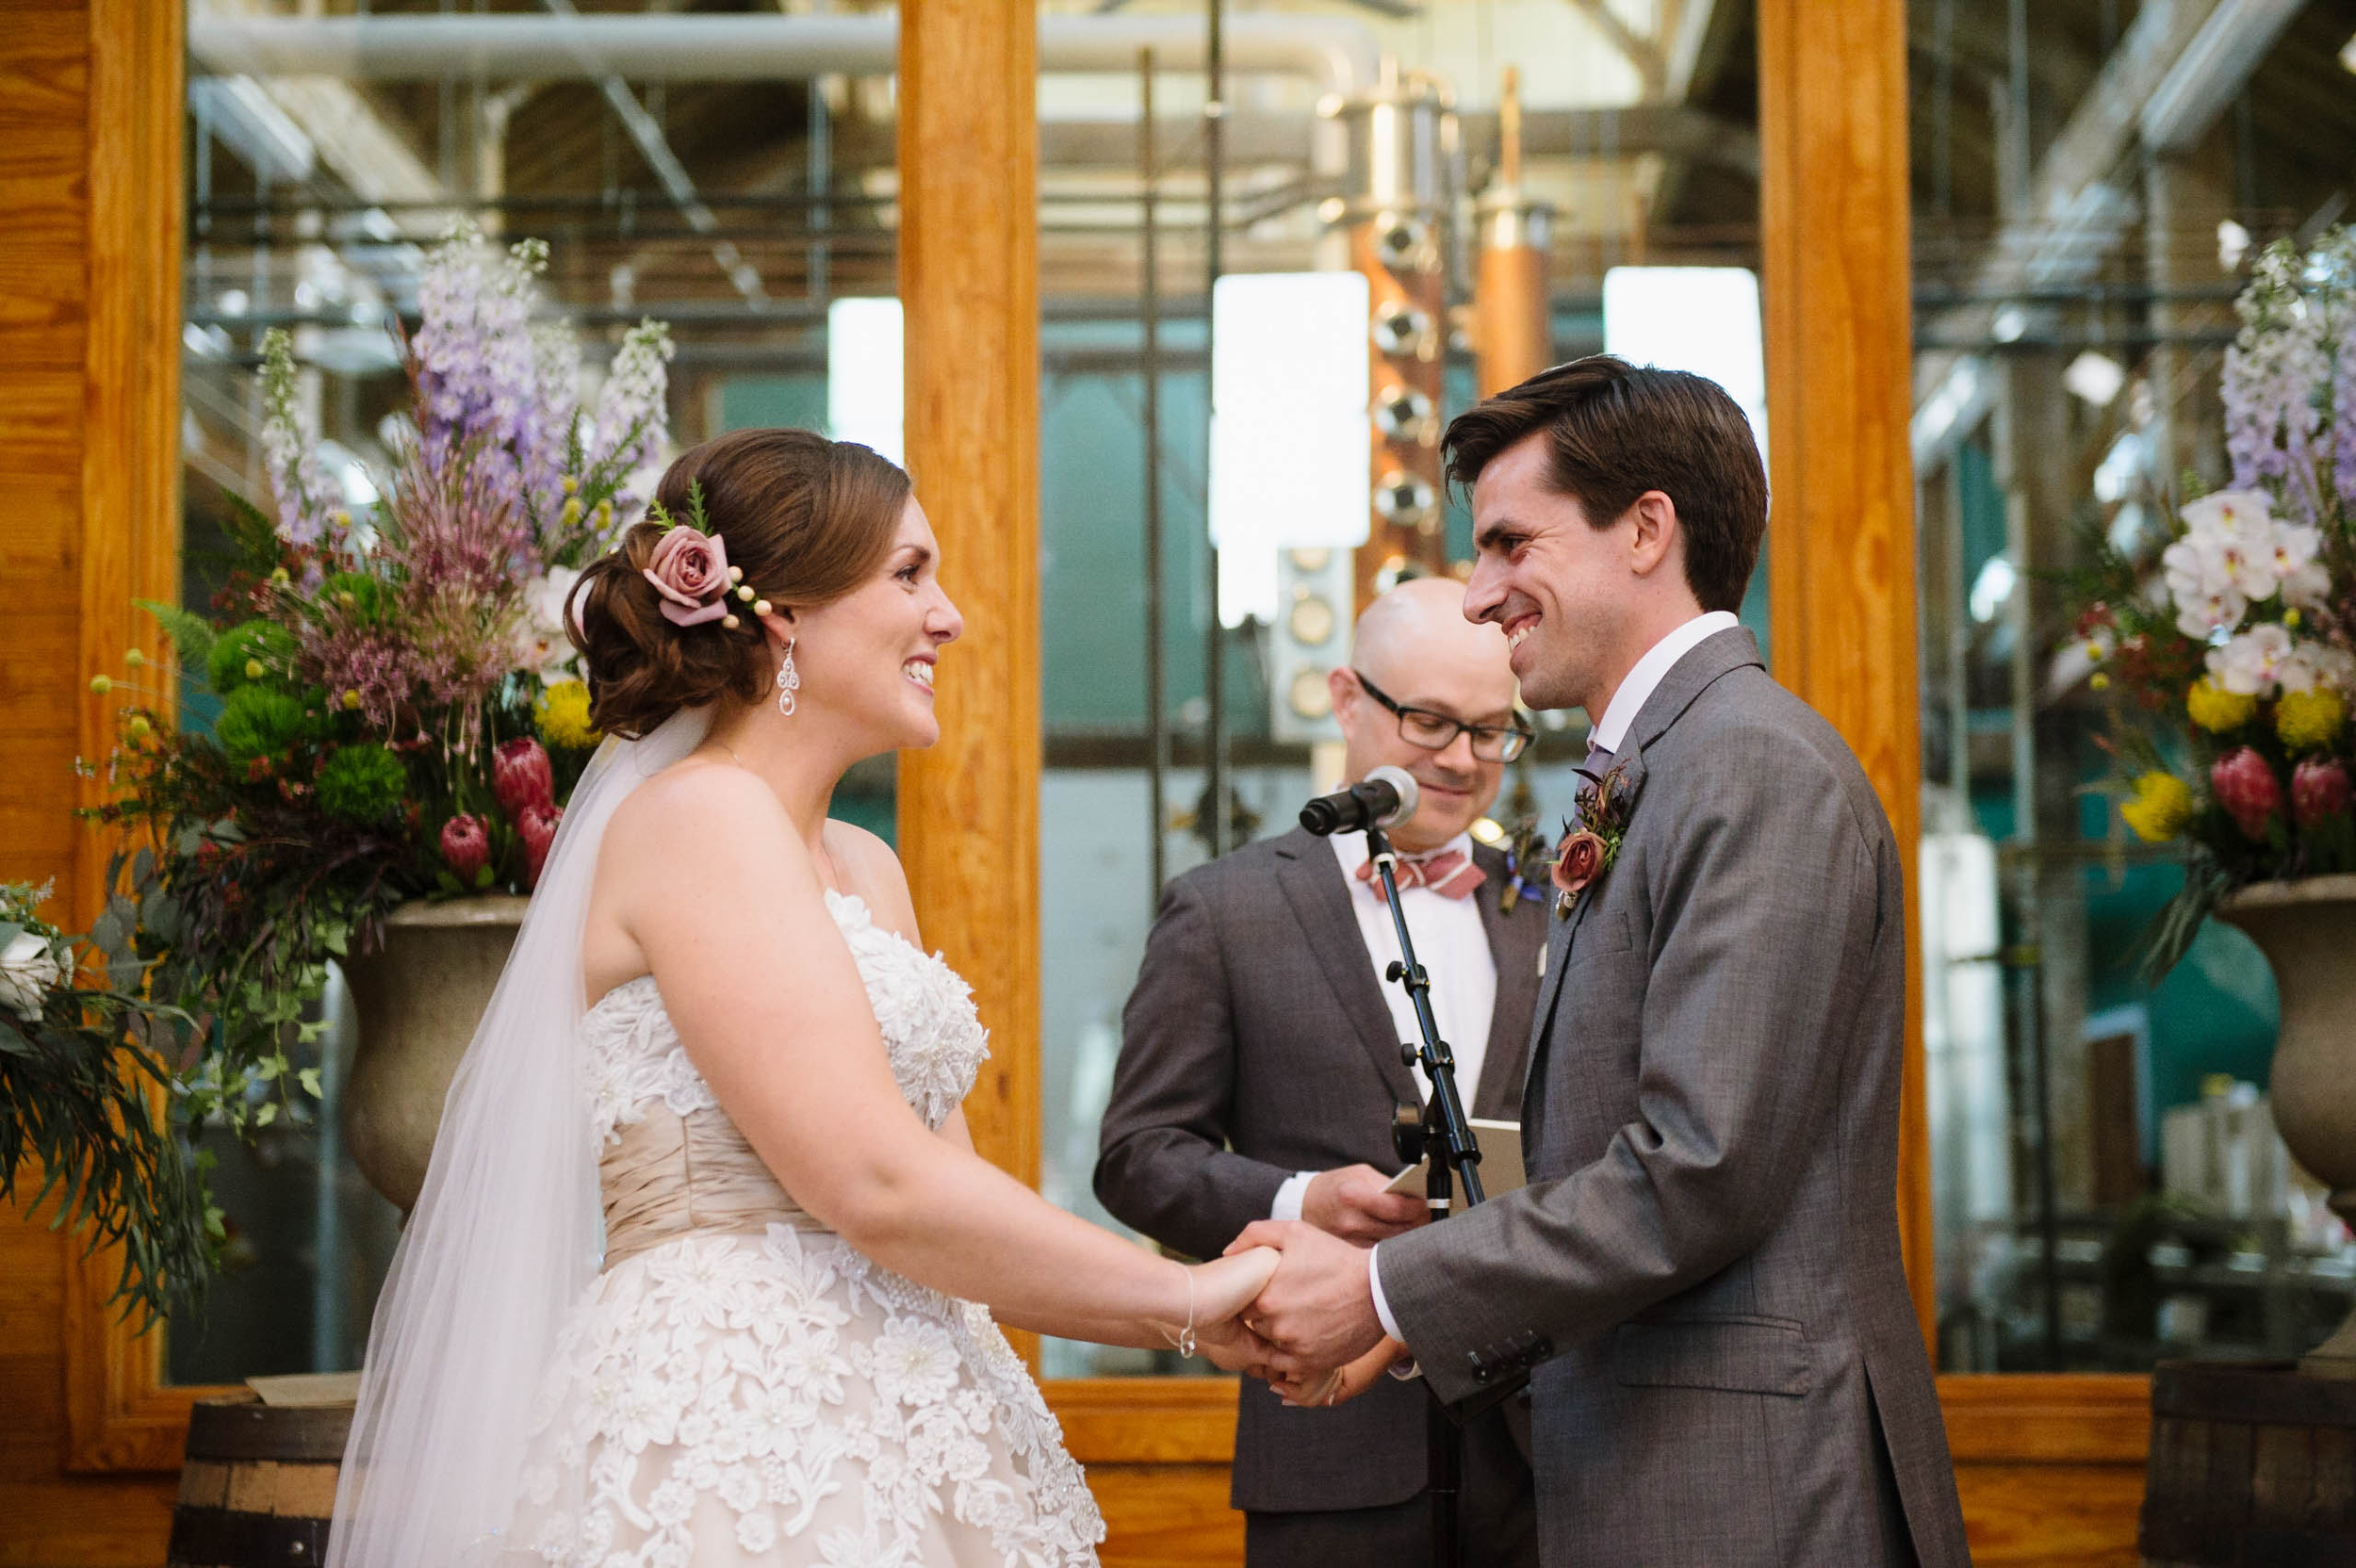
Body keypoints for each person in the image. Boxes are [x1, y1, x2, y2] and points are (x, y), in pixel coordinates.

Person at [326, 429, 1277, 1568]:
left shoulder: (865, 866)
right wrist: (1185, 1297)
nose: (951, 616)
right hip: (741, 1419)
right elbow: (877, 1181)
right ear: (781, 613)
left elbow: (943, 1182)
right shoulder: (699, 821)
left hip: (912, 1396)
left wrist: (1196, 1294)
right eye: (909, 574)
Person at [1228, 358, 1973, 1566]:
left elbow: (1696, 1170)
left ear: (1645, 528)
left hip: (1756, 1494)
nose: (1479, 596)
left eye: (1513, 544)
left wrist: (1384, 1289)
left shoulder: (1747, 765)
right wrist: (1423, 1321)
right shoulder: (1670, 764)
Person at [1095, 577, 1545, 1568]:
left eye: (1492, 730)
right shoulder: (1224, 909)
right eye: (1430, 721)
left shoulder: (1547, 900)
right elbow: (1135, 1156)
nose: (1464, 760)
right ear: (1347, 696)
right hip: (1331, 1442)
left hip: (1546, 1442)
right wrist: (1299, 1200)